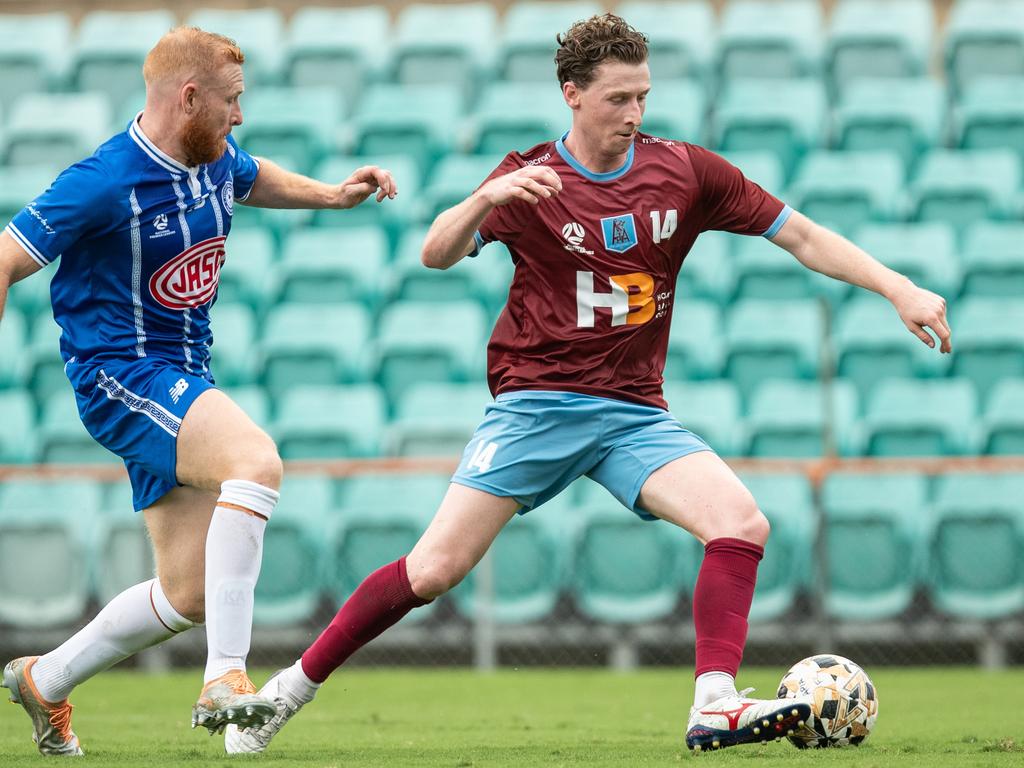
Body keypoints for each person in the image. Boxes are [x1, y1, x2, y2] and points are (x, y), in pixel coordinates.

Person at [225, 13, 952, 756]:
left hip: (634, 414)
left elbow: (799, 234)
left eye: (642, 95)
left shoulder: (687, 171)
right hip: (536, 407)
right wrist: (489, 197)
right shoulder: (530, 177)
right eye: (616, 99)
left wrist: (897, 288)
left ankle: (714, 703)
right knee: (434, 570)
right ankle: (285, 693)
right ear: (572, 94)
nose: (634, 114)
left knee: (741, 525)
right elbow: (435, 252)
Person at [0, 27, 396, 756]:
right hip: (122, 373)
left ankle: (45, 680)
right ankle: (227, 676)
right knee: (257, 462)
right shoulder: (103, 180)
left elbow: (251, 175)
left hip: (183, 374)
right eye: (232, 101)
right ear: (188, 98)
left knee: (186, 592)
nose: (240, 115)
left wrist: (333, 197)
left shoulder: (209, 156)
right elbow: (3, 258)